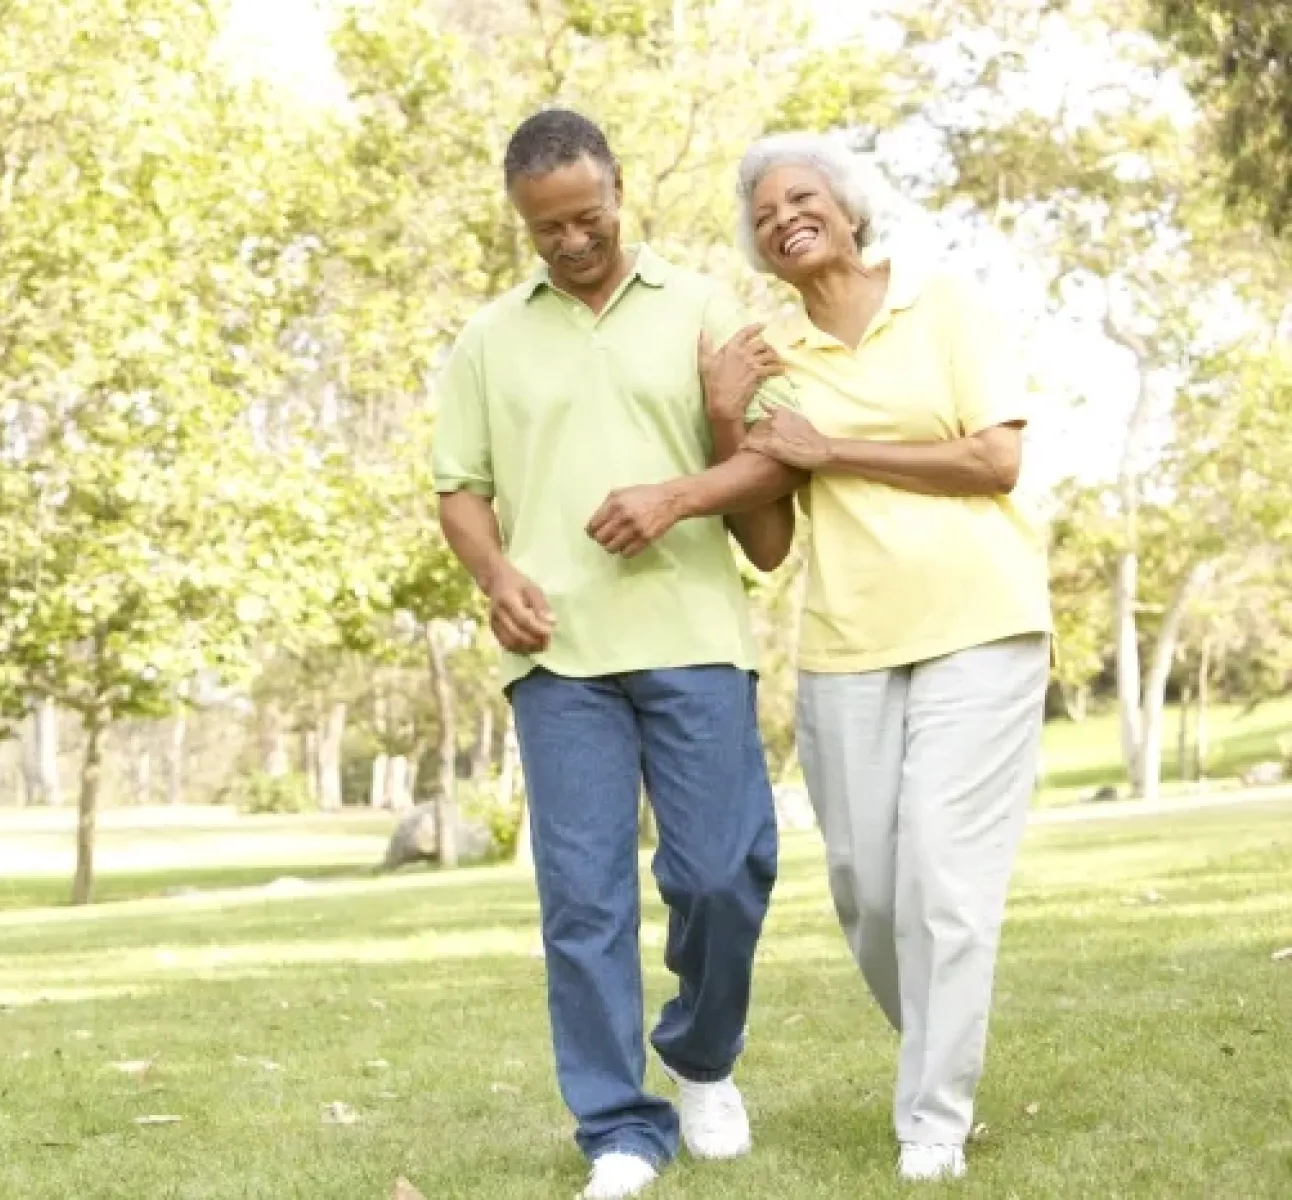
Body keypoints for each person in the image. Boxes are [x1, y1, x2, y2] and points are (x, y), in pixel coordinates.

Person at [430, 108, 799, 1200]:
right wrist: (497, 580)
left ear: (619, 190)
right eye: (546, 230)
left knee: (724, 870)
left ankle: (699, 1055)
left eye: (585, 217)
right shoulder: (488, 339)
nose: (571, 242)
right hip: (560, 663)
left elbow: (773, 482)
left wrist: (690, 471)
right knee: (582, 901)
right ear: (521, 223)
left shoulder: (702, 308)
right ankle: (618, 1130)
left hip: (693, 637)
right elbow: (460, 490)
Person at [696, 132, 1055, 1182]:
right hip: (847, 644)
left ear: (850, 209)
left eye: (800, 198)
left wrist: (834, 449)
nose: (782, 219)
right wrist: (727, 420)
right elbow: (766, 545)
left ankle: (931, 1121)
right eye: (762, 216)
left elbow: (994, 459)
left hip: (979, 625)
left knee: (944, 879)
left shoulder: (944, 306)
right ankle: (943, 1045)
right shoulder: (770, 360)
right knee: (864, 887)